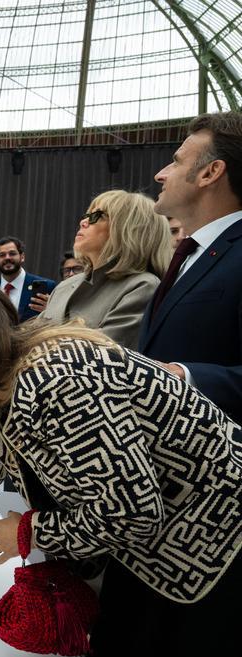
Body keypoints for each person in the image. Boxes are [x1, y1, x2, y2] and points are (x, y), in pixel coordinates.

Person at [0, 271, 241, 657]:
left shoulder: (57, 381)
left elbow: (132, 511)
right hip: (181, 538)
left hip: (216, 544)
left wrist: (28, 533)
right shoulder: (11, 368)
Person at [141, 111, 242, 423]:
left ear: (209, 173)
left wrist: (182, 375)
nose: (161, 174)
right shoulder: (190, 254)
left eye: (176, 161)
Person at [36, 190, 170, 348]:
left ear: (128, 229)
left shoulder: (143, 286)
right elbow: (27, 340)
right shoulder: (64, 287)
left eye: (95, 216)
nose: (83, 222)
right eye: (86, 216)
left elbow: (101, 352)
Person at [0, 236, 55, 322]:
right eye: (2, 255)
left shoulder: (47, 287)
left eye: (12, 253)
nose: (7, 258)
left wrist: (52, 311)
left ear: (22, 257)